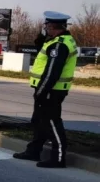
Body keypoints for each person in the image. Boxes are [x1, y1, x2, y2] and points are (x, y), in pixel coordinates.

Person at [13, 11, 78, 168]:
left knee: (52, 122)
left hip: (51, 90)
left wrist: (42, 91)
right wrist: (42, 40)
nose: (45, 28)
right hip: (47, 88)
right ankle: (34, 151)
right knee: (38, 121)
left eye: (47, 25)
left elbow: (52, 72)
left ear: (53, 26)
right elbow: (44, 54)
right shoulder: (56, 41)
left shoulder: (59, 45)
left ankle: (58, 158)